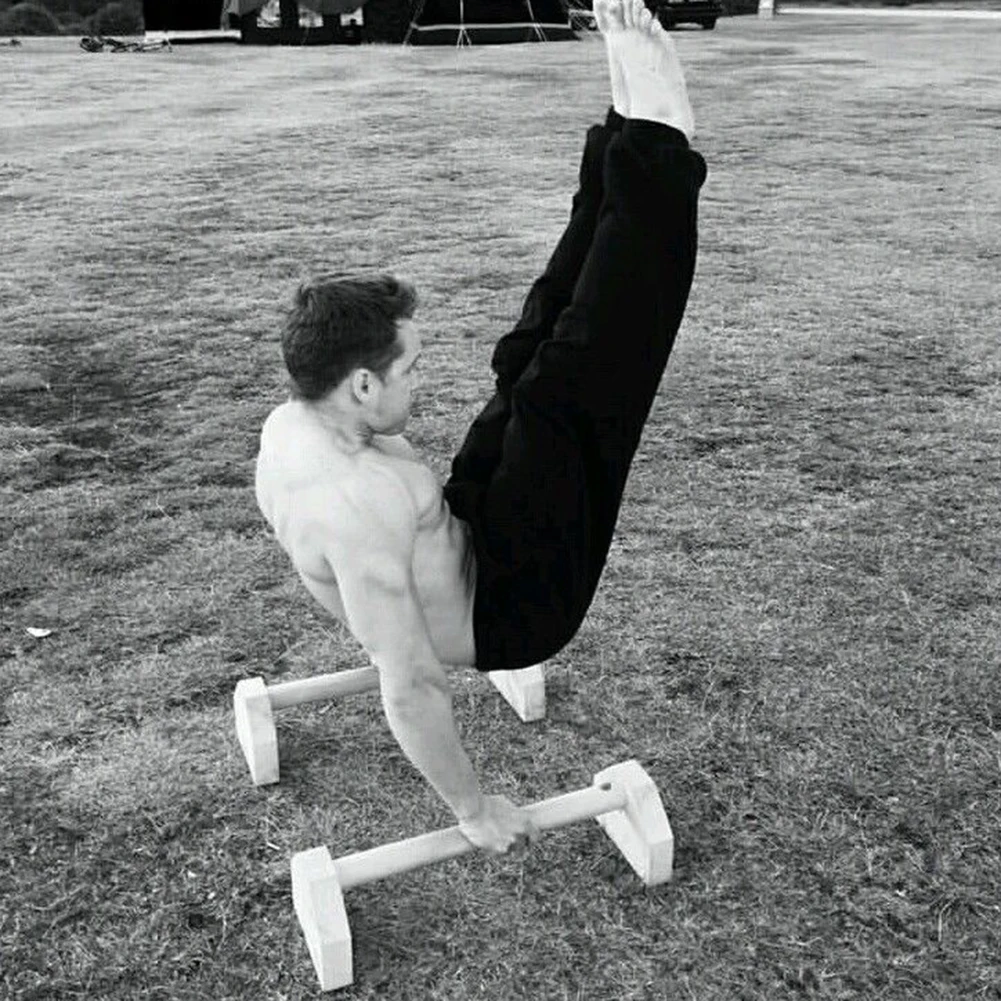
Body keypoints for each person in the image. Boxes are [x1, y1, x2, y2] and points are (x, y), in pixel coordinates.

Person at [254, 0, 707, 855]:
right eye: (408, 368)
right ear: (359, 383)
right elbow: (411, 683)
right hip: (516, 602)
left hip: (465, 527)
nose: (421, 378)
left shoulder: (300, 421)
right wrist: (471, 806)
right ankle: (659, 151)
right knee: (585, 383)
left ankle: (621, 138)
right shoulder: (353, 503)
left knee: (527, 362)